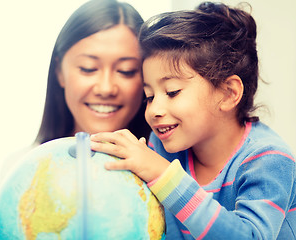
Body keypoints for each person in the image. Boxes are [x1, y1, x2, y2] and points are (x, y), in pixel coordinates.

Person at [90, 2, 296, 239]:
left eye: (172, 92)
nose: (154, 109)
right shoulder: (160, 146)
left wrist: (164, 176)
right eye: (149, 96)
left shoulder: (268, 159)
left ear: (228, 93)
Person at [0, 0, 151, 179]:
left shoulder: (165, 170)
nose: (106, 88)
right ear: (59, 71)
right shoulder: (23, 168)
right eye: (88, 68)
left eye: (126, 71)